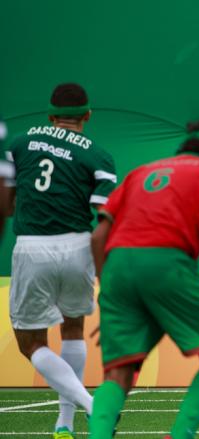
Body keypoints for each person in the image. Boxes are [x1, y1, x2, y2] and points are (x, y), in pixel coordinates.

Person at [89, 118, 199, 439]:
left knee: (118, 372)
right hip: (167, 262)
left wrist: (108, 295)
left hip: (116, 266)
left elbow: (98, 236)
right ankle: (180, 435)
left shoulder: (139, 173)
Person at [6, 83, 116, 439]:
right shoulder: (98, 155)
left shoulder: (18, 144)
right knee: (73, 328)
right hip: (77, 245)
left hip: (33, 246)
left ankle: (88, 404)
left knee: (30, 342)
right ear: (87, 115)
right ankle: (64, 423)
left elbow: (5, 201)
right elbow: (103, 215)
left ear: (50, 116)